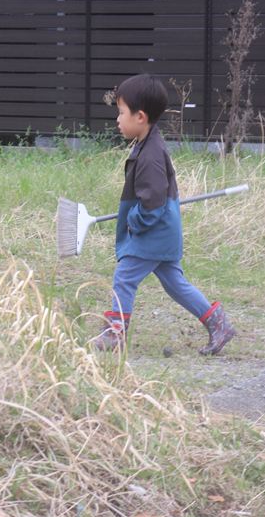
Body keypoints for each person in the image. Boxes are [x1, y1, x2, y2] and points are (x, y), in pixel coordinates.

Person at [93, 73, 235, 355]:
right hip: (163, 233)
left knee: (124, 277)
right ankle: (218, 323)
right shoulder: (148, 145)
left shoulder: (151, 155)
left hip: (153, 234)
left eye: (121, 112)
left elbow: (153, 204)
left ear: (140, 117)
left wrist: (133, 221)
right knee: (175, 284)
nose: (118, 119)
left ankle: (115, 332)